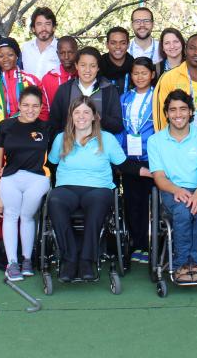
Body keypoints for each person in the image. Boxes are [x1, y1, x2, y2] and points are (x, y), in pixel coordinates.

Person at [47, 98, 126, 282]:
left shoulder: (106, 138)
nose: (81, 117)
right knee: (55, 200)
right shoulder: (61, 138)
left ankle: (86, 260)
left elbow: (124, 165)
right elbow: (50, 164)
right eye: (77, 113)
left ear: (94, 117)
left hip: (98, 188)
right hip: (67, 187)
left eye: (86, 112)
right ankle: (70, 259)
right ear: (71, 117)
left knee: (98, 203)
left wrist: (150, 172)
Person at [148, 90, 197, 282]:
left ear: (190, 112)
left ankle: (195, 264)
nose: (178, 114)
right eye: (173, 110)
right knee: (182, 212)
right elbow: (159, 177)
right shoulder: (155, 141)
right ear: (167, 113)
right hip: (172, 189)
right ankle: (180, 264)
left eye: (182, 109)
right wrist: (177, 190)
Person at [0, 86, 50, 281]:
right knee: (10, 215)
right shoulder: (5, 126)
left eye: (35, 106)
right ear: (18, 105)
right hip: (10, 178)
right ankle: (12, 262)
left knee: (27, 216)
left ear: (41, 107)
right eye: (26, 105)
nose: (30, 110)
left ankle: (27, 260)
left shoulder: (46, 128)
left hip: (37, 178)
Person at [117, 57, 158, 262]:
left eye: (144, 73)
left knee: (153, 202)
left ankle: (155, 244)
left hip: (152, 158)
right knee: (133, 203)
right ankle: (137, 244)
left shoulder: (158, 98)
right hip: (130, 159)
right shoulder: (124, 98)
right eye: (136, 73)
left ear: (152, 74)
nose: (140, 77)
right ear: (130, 76)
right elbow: (120, 130)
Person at [0, 37, 42, 152]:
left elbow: (43, 111)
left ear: (17, 55)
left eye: (10, 54)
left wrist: (38, 140)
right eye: (0, 56)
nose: (5, 59)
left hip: (28, 143)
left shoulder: (31, 81)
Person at [49, 47, 124, 136]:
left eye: (92, 66)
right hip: (70, 145)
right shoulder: (65, 90)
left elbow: (118, 126)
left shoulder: (108, 89)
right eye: (83, 65)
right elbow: (54, 125)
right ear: (76, 65)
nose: (87, 70)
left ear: (98, 68)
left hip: (100, 145)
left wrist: (100, 117)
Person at [40, 36, 78, 112]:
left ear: (77, 52)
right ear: (57, 54)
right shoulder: (48, 79)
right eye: (62, 53)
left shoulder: (84, 76)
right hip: (56, 123)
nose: (66, 57)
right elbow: (45, 109)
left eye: (70, 52)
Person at [20, 7, 60, 79]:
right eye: (39, 24)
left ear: (54, 27)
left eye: (47, 24)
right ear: (33, 28)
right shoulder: (26, 48)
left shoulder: (61, 49)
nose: (43, 28)